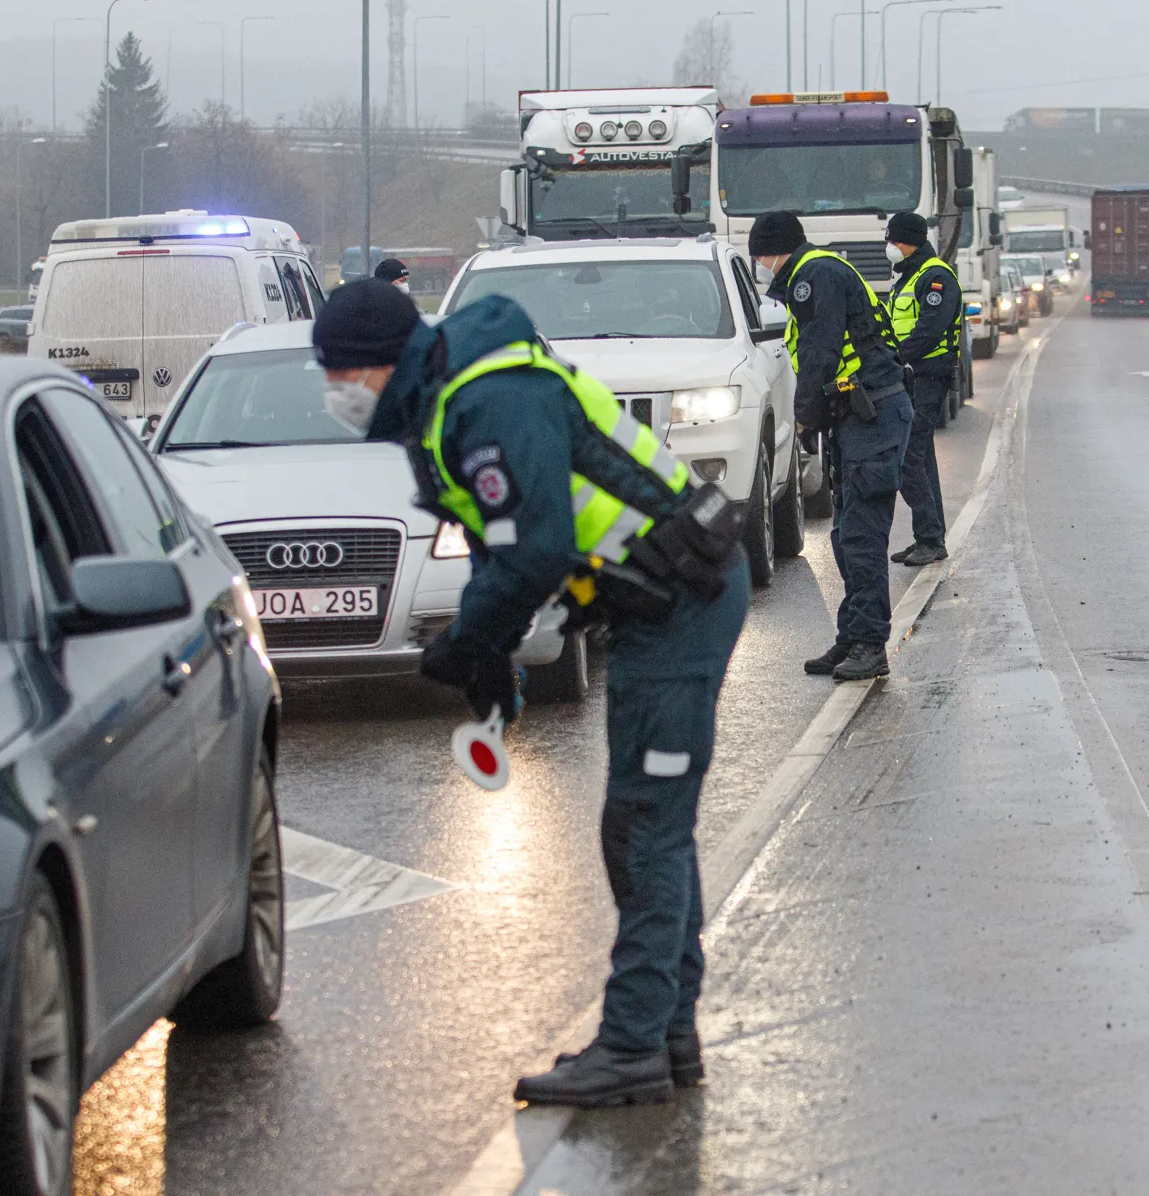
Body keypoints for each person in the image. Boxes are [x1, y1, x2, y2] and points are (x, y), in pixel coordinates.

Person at [310, 280, 750, 1107]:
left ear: (380, 366)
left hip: (684, 603)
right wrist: (493, 666)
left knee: (647, 828)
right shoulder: (447, 404)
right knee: (645, 828)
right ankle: (665, 1033)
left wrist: (469, 640)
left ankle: (633, 1047)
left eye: (338, 375)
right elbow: (501, 544)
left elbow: (535, 550)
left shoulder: (491, 400)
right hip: (657, 604)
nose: (333, 393)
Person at [749, 210, 912, 682]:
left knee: (861, 537)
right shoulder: (816, 271)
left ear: (772, 251)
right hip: (859, 418)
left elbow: (820, 352)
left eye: (760, 255)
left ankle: (870, 644)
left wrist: (803, 420)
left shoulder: (813, 276)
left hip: (873, 416)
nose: (761, 264)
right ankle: (854, 633)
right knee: (845, 536)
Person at [884, 211, 960, 568]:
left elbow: (930, 330)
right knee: (921, 457)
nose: (890, 247)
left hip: (929, 376)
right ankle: (929, 538)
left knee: (908, 455)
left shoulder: (936, 277)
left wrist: (895, 359)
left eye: (893, 240)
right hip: (912, 377)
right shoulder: (909, 277)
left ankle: (930, 537)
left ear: (908, 241)